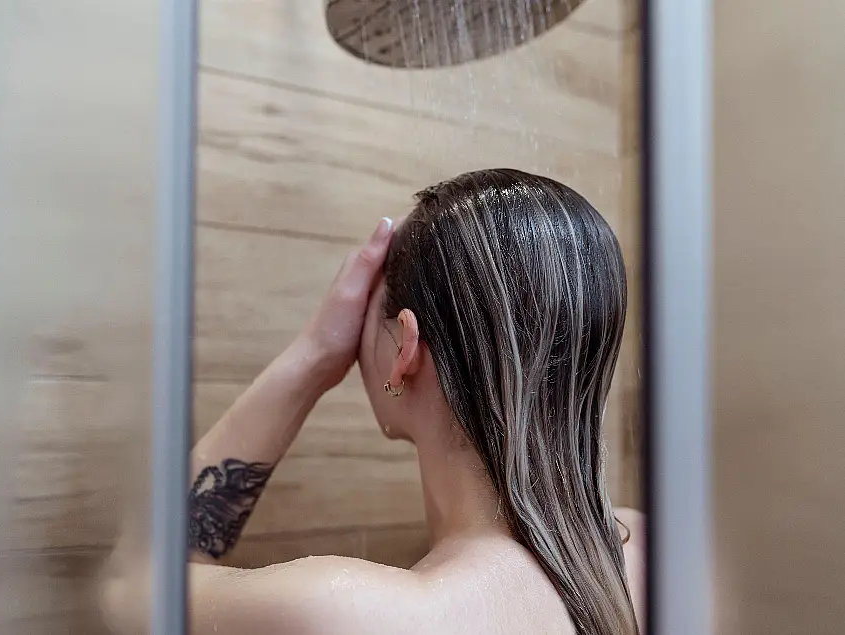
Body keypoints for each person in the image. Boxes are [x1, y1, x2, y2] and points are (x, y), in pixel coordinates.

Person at [101, 169, 645, 635]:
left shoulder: (352, 613)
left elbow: (129, 584)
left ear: (405, 348)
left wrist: (313, 355)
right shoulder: (645, 554)